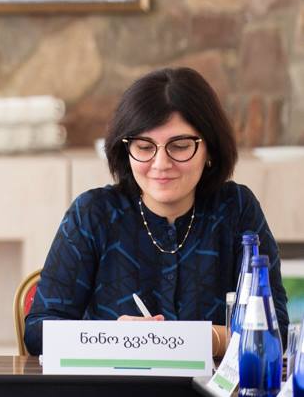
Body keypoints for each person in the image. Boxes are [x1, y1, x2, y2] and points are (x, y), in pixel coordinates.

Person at [25, 67, 290, 356]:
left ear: (210, 149)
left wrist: (207, 339)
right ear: (126, 150)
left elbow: (275, 330)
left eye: (180, 146)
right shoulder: (93, 214)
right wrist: (112, 337)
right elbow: (39, 331)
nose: (161, 164)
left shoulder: (236, 208)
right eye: (144, 147)